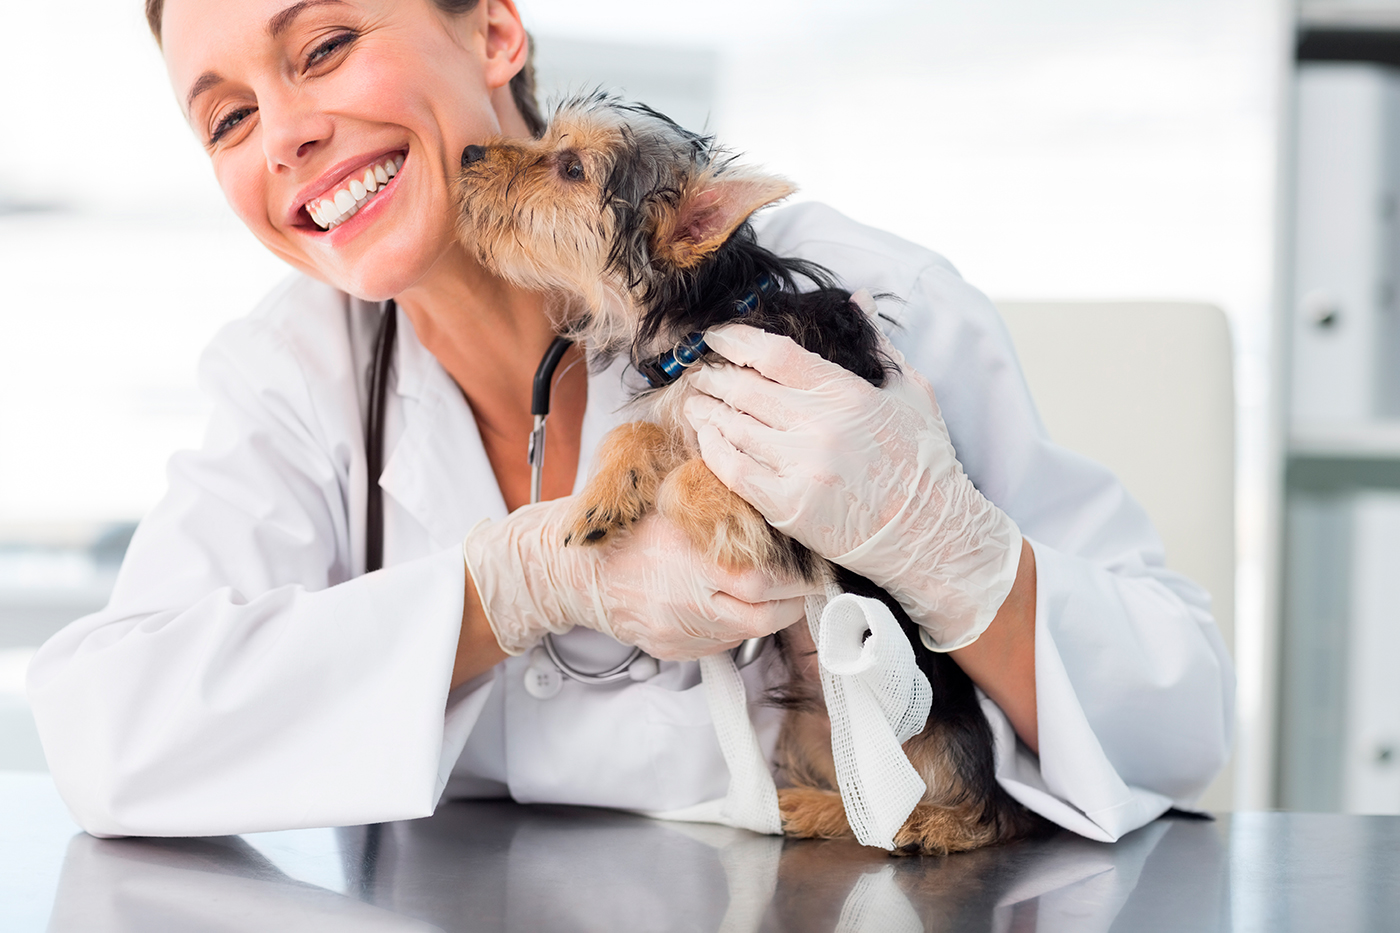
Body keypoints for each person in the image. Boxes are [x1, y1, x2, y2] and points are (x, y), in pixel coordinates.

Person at [27, 0, 1232, 842]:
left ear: (493, 29)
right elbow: (105, 735)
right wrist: (507, 589)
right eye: (228, 119)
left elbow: (1177, 719)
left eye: (325, 47)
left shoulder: (855, 301)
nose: (285, 131)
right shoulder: (294, 375)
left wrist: (948, 551)